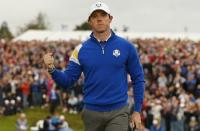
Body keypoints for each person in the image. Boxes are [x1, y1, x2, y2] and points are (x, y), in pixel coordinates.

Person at [43, 1, 145, 131]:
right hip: (91, 113)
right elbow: (67, 81)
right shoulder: (80, 50)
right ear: (90, 21)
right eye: (95, 16)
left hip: (118, 112)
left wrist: (137, 111)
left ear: (110, 18)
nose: (99, 19)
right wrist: (52, 68)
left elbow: (138, 78)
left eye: (103, 15)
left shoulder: (127, 47)